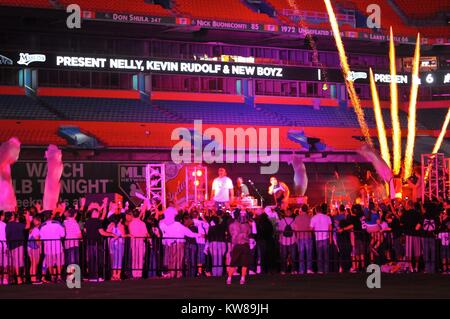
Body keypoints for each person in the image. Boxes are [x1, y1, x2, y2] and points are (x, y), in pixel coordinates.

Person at [159, 207, 200, 278]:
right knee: (179, 259)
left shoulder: (169, 226)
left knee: (172, 259)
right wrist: (199, 235)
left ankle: (172, 273)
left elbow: (166, 234)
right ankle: (178, 273)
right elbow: (190, 234)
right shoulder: (180, 226)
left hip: (171, 244)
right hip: (179, 244)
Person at [84, 208, 117, 282]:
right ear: (94, 213)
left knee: (91, 260)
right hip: (97, 243)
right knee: (99, 260)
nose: (98, 213)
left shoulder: (87, 221)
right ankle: (99, 276)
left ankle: (92, 276)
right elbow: (102, 232)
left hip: (89, 243)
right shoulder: (97, 221)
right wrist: (112, 234)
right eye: (97, 212)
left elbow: (85, 231)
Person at [226, 210, 252, 285]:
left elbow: (231, 234)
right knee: (244, 262)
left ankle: (229, 278)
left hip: (237, 245)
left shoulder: (232, 225)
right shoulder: (247, 225)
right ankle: (242, 278)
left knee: (233, 262)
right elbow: (249, 233)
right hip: (244, 244)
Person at [39, 212, 66, 283]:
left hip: (48, 247)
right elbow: (63, 235)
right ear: (51, 217)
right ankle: (59, 276)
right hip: (57, 246)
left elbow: (42, 239)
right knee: (59, 262)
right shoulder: (57, 224)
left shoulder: (42, 226)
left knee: (50, 263)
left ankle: (52, 276)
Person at [6, 212, 27, 285]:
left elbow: (7, 236)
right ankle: (19, 278)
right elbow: (27, 226)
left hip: (11, 245)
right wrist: (27, 217)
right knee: (19, 262)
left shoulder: (7, 225)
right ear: (12, 217)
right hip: (18, 244)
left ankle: (17, 278)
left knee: (15, 262)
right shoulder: (15, 224)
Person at [400, 200, 422, 272]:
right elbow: (420, 222)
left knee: (408, 252)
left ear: (408, 205)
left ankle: (411, 268)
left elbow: (401, 222)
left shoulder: (405, 213)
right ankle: (416, 267)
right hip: (417, 234)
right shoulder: (418, 213)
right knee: (417, 251)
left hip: (408, 234)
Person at [310, 204, 332, 274]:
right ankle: (326, 270)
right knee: (326, 255)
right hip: (326, 237)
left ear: (316, 211)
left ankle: (320, 270)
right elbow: (330, 228)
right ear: (322, 210)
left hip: (318, 238)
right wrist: (331, 238)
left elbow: (311, 228)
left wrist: (314, 232)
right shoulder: (327, 217)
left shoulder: (313, 218)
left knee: (319, 255)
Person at [418, 202, 440, 274]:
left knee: (426, 253)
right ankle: (432, 269)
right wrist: (435, 232)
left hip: (425, 236)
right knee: (433, 253)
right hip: (432, 236)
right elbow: (437, 226)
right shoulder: (435, 216)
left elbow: (419, 226)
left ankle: (427, 269)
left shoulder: (424, 216)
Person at [128, 209, 149, 279]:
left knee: (134, 257)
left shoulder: (131, 223)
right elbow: (146, 234)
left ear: (133, 215)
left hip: (134, 241)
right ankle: (139, 274)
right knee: (140, 257)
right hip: (141, 241)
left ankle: (134, 274)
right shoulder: (142, 223)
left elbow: (131, 232)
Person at [293, 205, 313, 274]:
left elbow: (295, 228)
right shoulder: (310, 217)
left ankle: (301, 270)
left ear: (301, 209)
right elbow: (311, 228)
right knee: (308, 253)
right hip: (308, 236)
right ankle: (309, 269)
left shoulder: (297, 218)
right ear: (307, 209)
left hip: (299, 237)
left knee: (301, 254)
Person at [277, 209, 297, 275]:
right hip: (292, 240)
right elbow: (295, 229)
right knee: (293, 256)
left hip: (283, 240)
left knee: (283, 256)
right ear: (291, 213)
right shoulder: (293, 221)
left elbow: (279, 230)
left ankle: (283, 270)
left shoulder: (282, 221)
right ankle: (293, 270)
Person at [106, 214, 126, 281]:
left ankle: (114, 274)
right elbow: (123, 235)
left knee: (114, 259)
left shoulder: (110, 225)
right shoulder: (121, 226)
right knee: (119, 259)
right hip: (119, 243)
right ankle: (118, 275)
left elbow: (107, 233)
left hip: (112, 243)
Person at [27, 216, 42, 284]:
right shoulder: (36, 229)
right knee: (34, 263)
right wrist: (39, 247)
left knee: (33, 263)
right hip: (34, 248)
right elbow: (37, 240)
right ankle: (33, 279)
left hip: (31, 248)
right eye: (39, 220)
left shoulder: (32, 229)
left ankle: (32, 278)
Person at [0, 211, 8, 285]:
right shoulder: (5, 225)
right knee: (4, 263)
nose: (4, 217)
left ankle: (2, 278)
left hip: (3, 245)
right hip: (3, 246)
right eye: (3, 215)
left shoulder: (5, 224)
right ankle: (5, 279)